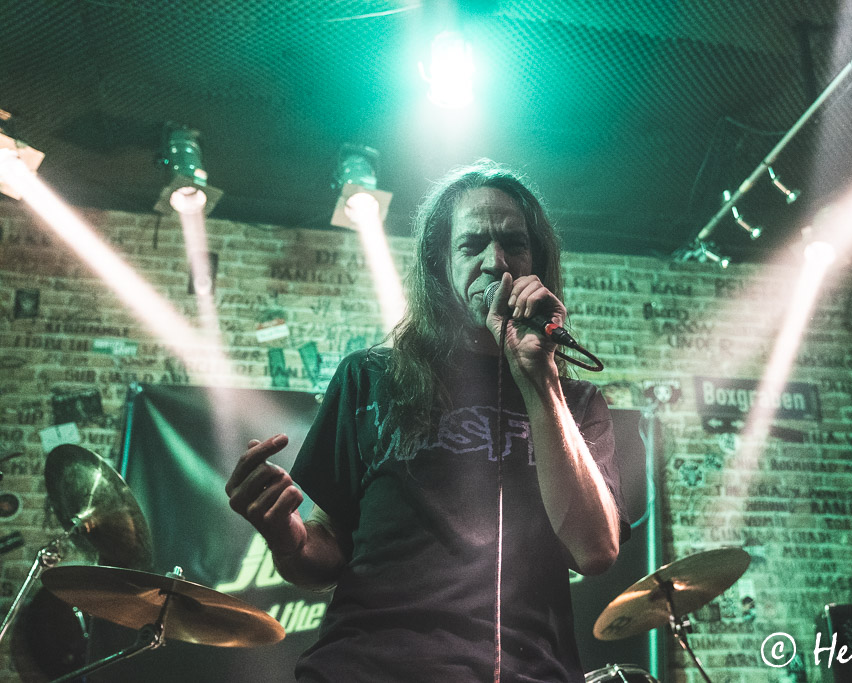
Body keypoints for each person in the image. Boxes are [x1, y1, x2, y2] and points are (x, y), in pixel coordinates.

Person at [225, 160, 629, 682]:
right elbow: (325, 549)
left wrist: (540, 379)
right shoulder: (370, 378)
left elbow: (595, 551)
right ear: (440, 263)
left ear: (538, 262)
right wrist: (286, 536)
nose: (495, 261)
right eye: (471, 245)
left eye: (514, 243)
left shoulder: (576, 403)